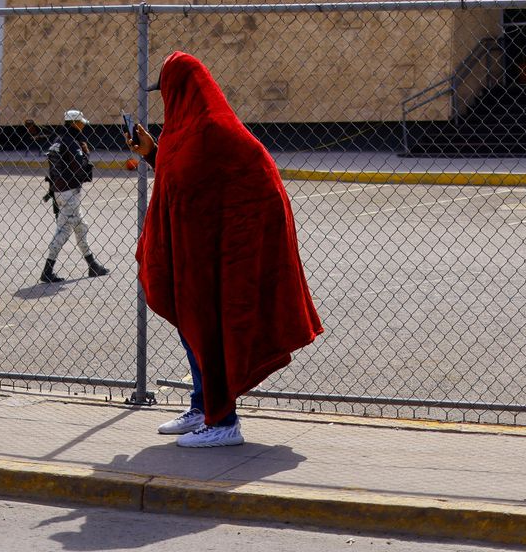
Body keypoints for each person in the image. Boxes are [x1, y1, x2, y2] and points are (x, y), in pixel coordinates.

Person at [126, 52, 322, 448]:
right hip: (201, 247)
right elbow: (183, 176)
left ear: (181, 89)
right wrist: (152, 152)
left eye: (166, 90)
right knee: (193, 322)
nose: (164, 99)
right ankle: (203, 406)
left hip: (228, 250)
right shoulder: (189, 128)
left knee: (211, 326)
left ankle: (223, 422)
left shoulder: (212, 128)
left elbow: (205, 179)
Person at [40, 109, 109, 283]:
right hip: (69, 192)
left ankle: (92, 265)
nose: (83, 126)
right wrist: (86, 153)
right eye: (81, 123)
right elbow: (79, 166)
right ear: (75, 123)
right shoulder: (72, 142)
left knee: (81, 227)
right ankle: (47, 270)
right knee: (63, 231)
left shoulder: (58, 140)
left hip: (59, 191)